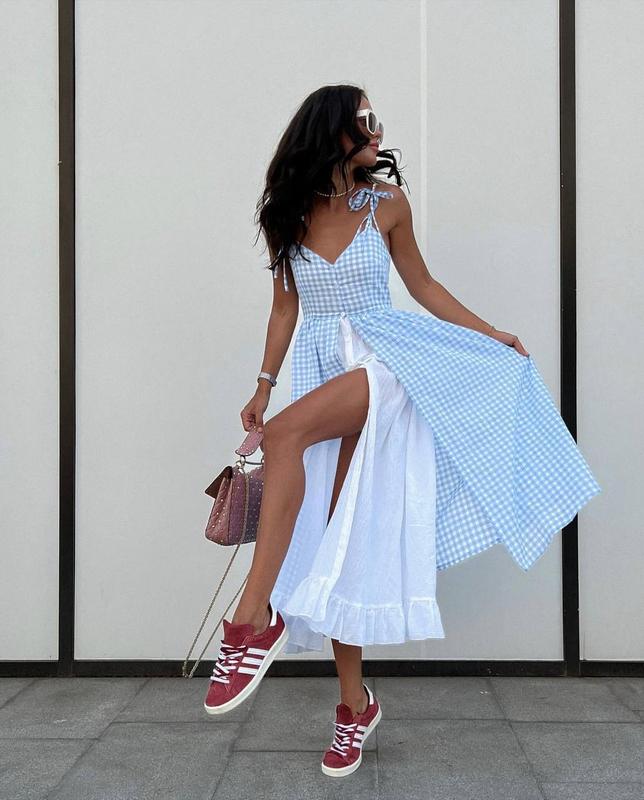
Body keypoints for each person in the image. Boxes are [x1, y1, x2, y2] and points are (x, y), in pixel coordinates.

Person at [202, 84, 602, 778]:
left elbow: (422, 285)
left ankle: (251, 618)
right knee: (338, 538)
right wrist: (263, 386)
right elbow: (284, 310)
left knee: (286, 437)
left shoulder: (386, 205)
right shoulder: (287, 214)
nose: (377, 131)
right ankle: (354, 707)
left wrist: (490, 334)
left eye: (376, 120)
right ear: (333, 131)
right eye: (365, 120)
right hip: (322, 370)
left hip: (386, 359)